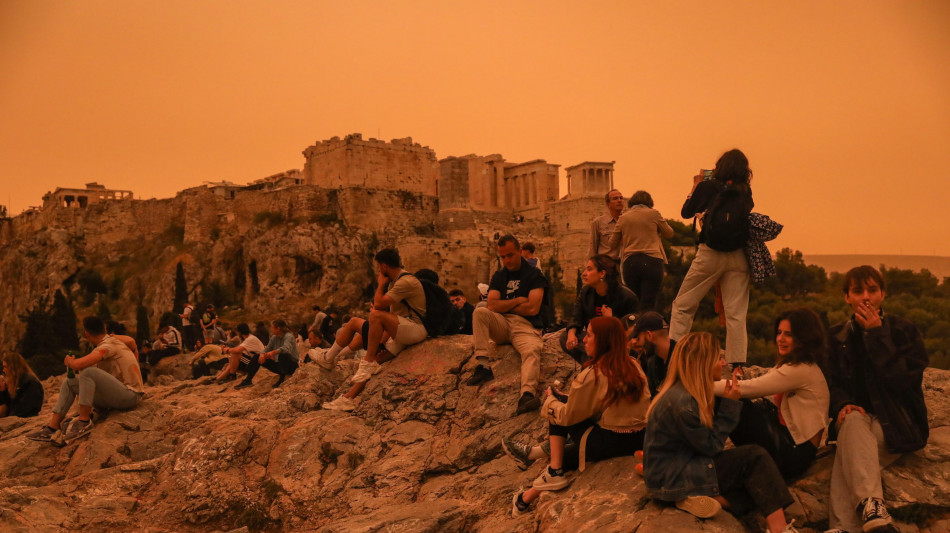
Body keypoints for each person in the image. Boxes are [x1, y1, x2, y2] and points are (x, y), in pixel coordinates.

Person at [643, 332, 799, 533]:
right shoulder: (682, 402)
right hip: (673, 478)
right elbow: (711, 447)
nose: (724, 363)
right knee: (754, 457)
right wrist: (730, 406)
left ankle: (711, 498)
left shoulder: (682, 393)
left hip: (674, 472)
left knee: (761, 485)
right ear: (703, 362)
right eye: (719, 358)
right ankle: (780, 529)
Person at [507, 316, 650, 516]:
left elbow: (568, 416)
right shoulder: (633, 364)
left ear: (602, 340)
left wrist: (551, 401)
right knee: (569, 454)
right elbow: (608, 402)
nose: (584, 339)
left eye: (589, 335)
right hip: (638, 439)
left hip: (609, 440)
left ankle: (554, 470)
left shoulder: (595, 372)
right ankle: (524, 499)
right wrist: (568, 398)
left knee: (555, 409)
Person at [823, 266, 928, 533]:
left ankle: (842, 527)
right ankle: (874, 514)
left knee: (848, 452)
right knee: (853, 420)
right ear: (847, 297)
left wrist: (877, 335)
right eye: (858, 291)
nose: (866, 297)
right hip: (854, 422)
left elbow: (904, 382)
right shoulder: (836, 337)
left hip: (896, 423)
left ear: (883, 294)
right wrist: (840, 404)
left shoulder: (905, 331)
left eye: (872, 290)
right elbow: (830, 382)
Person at [714, 308, 829, 479]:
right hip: (787, 443)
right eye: (779, 332)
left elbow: (748, 388)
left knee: (729, 400)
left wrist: (693, 384)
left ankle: (704, 455)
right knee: (733, 400)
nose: (780, 339)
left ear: (804, 338)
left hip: (794, 455)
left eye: (788, 334)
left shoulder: (801, 369)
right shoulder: (794, 364)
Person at [669, 150, 754, 364]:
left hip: (711, 252)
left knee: (683, 305)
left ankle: (673, 358)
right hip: (738, 255)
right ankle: (737, 366)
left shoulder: (708, 186)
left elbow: (686, 212)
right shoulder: (745, 191)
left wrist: (696, 187)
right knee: (736, 313)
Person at [322, 248, 428, 411]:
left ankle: (367, 360)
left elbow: (378, 306)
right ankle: (348, 399)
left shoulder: (405, 282)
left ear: (384, 266)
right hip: (404, 331)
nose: (378, 270)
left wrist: (380, 284)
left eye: (378, 266)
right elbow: (394, 317)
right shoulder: (396, 281)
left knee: (375, 315)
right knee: (376, 362)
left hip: (415, 329)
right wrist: (381, 343)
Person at [26, 316, 144, 444]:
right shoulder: (110, 342)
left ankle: (84, 421)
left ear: (87, 334)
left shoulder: (109, 344)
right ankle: (52, 428)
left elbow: (79, 365)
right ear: (104, 328)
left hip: (130, 395)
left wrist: (70, 362)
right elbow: (131, 341)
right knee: (69, 382)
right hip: (118, 394)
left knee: (88, 372)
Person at [466, 235, 548, 415]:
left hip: (526, 326)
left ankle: (526, 395)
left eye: (510, 255)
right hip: (502, 323)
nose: (506, 260)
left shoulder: (534, 275)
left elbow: (533, 309)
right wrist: (518, 300)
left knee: (532, 351)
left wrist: (505, 305)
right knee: (480, 312)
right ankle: (483, 365)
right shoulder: (499, 275)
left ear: (520, 252)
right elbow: (492, 305)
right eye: (502, 257)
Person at [560, 254, 638, 363]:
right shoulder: (586, 293)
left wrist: (611, 320)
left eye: (589, 269)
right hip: (593, 341)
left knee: (596, 344)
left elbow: (632, 332)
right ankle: (592, 364)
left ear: (602, 273)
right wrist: (571, 334)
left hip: (615, 343)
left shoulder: (626, 297)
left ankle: (592, 366)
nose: (584, 273)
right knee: (564, 337)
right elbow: (576, 317)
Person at [609, 190, 674, 311]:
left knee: (634, 301)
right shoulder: (654, 214)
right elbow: (669, 233)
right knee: (648, 302)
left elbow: (612, 244)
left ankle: (635, 327)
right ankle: (648, 327)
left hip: (631, 262)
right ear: (649, 203)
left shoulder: (623, 218)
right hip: (652, 261)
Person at [234, 319, 299, 389]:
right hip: (280, 365)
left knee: (283, 355)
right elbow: (267, 348)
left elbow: (286, 349)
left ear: (278, 329)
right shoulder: (274, 337)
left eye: (272, 327)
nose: (271, 329)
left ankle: (282, 378)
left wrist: (272, 352)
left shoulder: (288, 336)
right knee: (257, 356)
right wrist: (262, 354)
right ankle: (248, 380)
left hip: (291, 365)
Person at [629, 311, 675, 398]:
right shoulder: (652, 363)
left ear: (649, 335)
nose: (637, 343)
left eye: (638, 338)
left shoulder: (684, 358)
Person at [0, 352, 44, 418]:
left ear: (13, 368)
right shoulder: (16, 381)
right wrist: (3, 391)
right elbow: (10, 404)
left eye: (5, 367)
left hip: (26, 418)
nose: (3, 370)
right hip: (17, 417)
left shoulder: (29, 381)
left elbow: (25, 408)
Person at [587, 189, 624, 262]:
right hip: (606, 265)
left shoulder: (627, 221)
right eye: (615, 198)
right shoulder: (598, 222)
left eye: (621, 198)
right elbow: (593, 248)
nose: (619, 200)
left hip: (624, 265)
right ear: (608, 204)